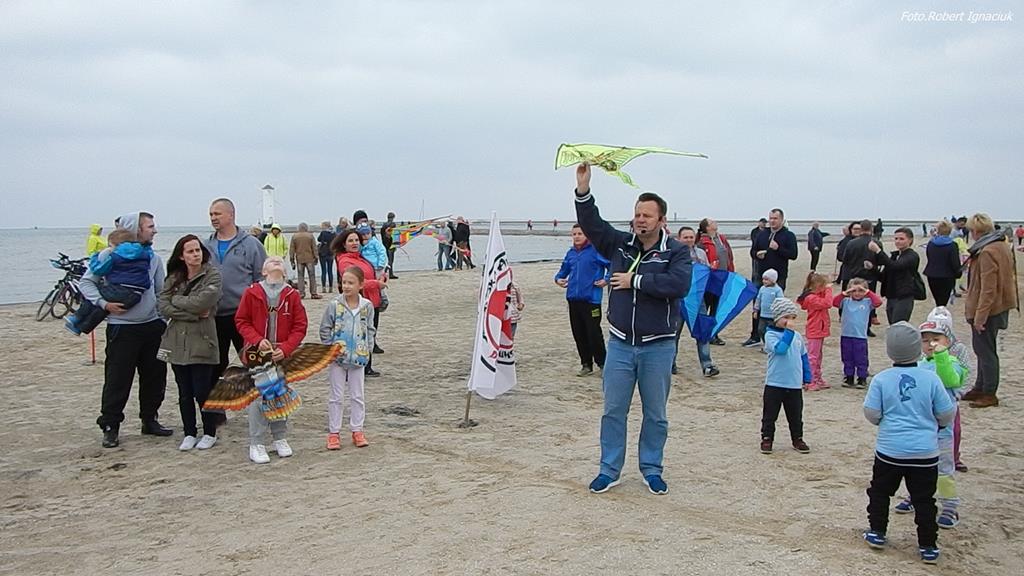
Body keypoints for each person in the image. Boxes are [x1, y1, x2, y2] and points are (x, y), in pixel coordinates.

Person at [572, 164, 691, 496]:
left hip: (659, 346)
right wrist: (583, 190)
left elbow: (678, 285)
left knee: (656, 414)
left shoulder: (676, 251)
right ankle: (609, 470)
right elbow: (592, 224)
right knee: (613, 411)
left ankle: (652, 469)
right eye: (637, 214)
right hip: (621, 345)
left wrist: (634, 280)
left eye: (647, 216)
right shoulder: (620, 244)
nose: (640, 220)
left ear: (661, 220)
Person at [862, 322, 956, 565]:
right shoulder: (931, 378)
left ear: (890, 351)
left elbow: (871, 413)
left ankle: (877, 532)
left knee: (880, 492)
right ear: (917, 349)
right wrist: (935, 425)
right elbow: (947, 412)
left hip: (890, 450)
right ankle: (928, 546)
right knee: (924, 500)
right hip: (925, 452)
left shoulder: (881, 379)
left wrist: (885, 421)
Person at [79, 212, 170, 448]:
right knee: (117, 380)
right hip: (122, 328)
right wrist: (103, 304)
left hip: (152, 326)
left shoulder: (153, 258)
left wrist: (163, 320)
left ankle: (150, 420)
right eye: (150, 226)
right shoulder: (109, 255)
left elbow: (160, 292)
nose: (155, 230)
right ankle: (110, 426)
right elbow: (86, 282)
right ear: (135, 229)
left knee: (155, 377)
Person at [893, 309, 968, 529]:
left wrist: (942, 357)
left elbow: (951, 380)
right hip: (919, 428)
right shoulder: (918, 365)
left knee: (944, 468)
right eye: (925, 341)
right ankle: (915, 496)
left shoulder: (953, 362)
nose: (931, 344)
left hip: (942, 429)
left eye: (936, 339)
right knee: (916, 466)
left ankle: (950, 506)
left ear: (948, 341)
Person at [235, 256, 307, 464]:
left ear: (285, 272)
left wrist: (286, 348)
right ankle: (256, 443)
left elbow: (300, 326)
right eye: (271, 261)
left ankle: (279, 437)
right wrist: (257, 340)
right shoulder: (252, 292)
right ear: (263, 271)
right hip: (257, 353)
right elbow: (242, 321)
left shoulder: (292, 295)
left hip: (281, 355)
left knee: (280, 394)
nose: (276, 261)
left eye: (279, 261)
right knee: (259, 397)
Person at [156, 235, 223, 451]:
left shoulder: (212, 275)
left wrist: (177, 301)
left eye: (198, 250)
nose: (195, 255)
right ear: (181, 256)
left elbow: (203, 302)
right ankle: (189, 432)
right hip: (178, 340)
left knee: (202, 391)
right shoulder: (174, 277)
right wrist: (191, 314)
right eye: (190, 251)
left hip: (203, 339)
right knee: (184, 391)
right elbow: (163, 306)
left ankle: (210, 432)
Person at [204, 198, 267, 402]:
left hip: (243, 316)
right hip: (214, 316)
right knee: (215, 365)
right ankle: (217, 408)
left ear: (231, 215)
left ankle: (264, 403)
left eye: (217, 213)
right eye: (211, 214)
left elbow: (262, 279)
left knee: (255, 363)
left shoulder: (251, 244)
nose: (213, 218)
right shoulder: (205, 246)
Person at [961, 213, 1017, 408]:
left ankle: (989, 392)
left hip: (989, 309)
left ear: (976, 231)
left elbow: (988, 288)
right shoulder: (1001, 245)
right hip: (999, 306)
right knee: (983, 349)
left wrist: (980, 316)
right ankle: (981, 386)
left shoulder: (987, 251)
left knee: (986, 351)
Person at [319, 265, 375, 450]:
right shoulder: (334, 305)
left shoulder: (366, 306)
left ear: (361, 285)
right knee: (336, 396)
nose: (347, 286)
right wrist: (331, 349)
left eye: (351, 283)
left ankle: (357, 430)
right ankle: (334, 433)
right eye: (344, 282)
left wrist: (368, 350)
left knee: (357, 395)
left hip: (358, 358)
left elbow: (370, 329)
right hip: (337, 359)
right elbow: (325, 328)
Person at [65, 228, 153, 336]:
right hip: (137, 294)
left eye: (110, 246)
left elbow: (100, 269)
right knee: (103, 309)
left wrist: (97, 256)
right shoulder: (144, 253)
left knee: (99, 295)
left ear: (116, 246)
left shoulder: (115, 256)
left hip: (120, 288)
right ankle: (82, 327)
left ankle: (77, 318)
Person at [554, 224, 610, 377]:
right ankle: (586, 364)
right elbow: (563, 271)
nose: (577, 236)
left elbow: (612, 265)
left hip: (591, 300)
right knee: (578, 333)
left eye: (580, 233)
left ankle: (603, 363)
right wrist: (558, 279)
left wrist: (606, 279)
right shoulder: (571, 253)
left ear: (587, 235)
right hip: (573, 299)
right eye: (574, 234)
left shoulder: (596, 251)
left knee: (593, 333)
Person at [759, 297, 811, 454]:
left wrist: (807, 377)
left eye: (793, 317)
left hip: (794, 384)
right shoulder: (770, 335)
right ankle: (767, 438)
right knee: (770, 414)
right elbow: (780, 349)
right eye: (786, 317)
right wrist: (788, 332)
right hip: (775, 383)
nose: (790, 321)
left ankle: (797, 438)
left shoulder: (797, 336)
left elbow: (804, 356)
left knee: (795, 415)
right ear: (777, 318)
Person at [332, 229, 387, 377]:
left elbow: (369, 275)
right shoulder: (345, 261)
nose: (354, 243)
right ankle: (357, 366)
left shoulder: (362, 258)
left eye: (356, 240)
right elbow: (354, 282)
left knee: (370, 333)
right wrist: (376, 284)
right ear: (344, 244)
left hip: (372, 301)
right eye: (351, 241)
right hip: (357, 302)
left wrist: (381, 278)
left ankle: (367, 366)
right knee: (357, 334)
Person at [672, 226, 718, 377]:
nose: (689, 240)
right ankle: (671, 364)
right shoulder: (672, 253)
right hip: (678, 300)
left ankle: (707, 365)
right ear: (679, 239)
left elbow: (706, 274)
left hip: (698, 300)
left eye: (691, 237)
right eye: (685, 237)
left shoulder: (700, 253)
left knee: (702, 332)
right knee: (673, 334)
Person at [834, 278, 882, 389]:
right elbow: (834, 302)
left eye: (860, 291)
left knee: (861, 358)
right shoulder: (846, 301)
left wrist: (867, 292)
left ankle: (862, 377)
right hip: (846, 335)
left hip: (860, 336)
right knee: (847, 357)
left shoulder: (867, 302)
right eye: (854, 291)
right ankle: (849, 376)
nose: (857, 293)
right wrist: (844, 293)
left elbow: (878, 302)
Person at [873, 227, 922, 324]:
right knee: (892, 324)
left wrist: (878, 251)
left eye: (901, 239)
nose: (898, 241)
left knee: (899, 324)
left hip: (904, 296)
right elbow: (884, 277)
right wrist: (872, 269)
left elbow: (896, 266)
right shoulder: (895, 256)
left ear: (910, 240)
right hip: (891, 295)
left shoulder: (912, 256)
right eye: (896, 239)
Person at [697, 218, 734, 346]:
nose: (715, 223)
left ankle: (713, 334)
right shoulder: (702, 242)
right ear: (707, 227)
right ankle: (704, 333)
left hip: (722, 277)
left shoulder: (721, 239)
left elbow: (729, 256)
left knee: (716, 308)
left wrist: (731, 271)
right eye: (712, 222)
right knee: (706, 307)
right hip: (709, 279)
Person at [797, 272, 833, 391]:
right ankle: (810, 380)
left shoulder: (815, 296)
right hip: (815, 329)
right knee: (812, 357)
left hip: (819, 329)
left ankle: (817, 377)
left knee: (818, 356)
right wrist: (829, 290)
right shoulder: (811, 298)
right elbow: (828, 303)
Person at [750, 208, 798, 291]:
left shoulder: (789, 235)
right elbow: (752, 251)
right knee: (758, 298)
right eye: (771, 218)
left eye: (775, 218)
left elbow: (793, 255)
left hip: (779, 277)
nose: (772, 221)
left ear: (782, 220)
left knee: (776, 299)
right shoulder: (762, 234)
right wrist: (757, 254)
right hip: (761, 275)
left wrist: (778, 249)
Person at [923, 220, 962, 307]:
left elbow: (929, 257)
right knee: (943, 301)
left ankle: (938, 312)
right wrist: (958, 273)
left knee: (938, 300)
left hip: (932, 274)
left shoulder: (931, 243)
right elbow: (955, 262)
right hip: (947, 275)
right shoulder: (952, 245)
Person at [749, 269, 784, 347]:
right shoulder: (762, 289)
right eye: (763, 279)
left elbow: (781, 301)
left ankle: (771, 345)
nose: (764, 281)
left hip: (773, 316)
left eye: (766, 279)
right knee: (761, 330)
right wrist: (755, 310)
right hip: (763, 315)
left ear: (773, 280)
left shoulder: (777, 290)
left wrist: (779, 313)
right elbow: (758, 300)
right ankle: (766, 344)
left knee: (772, 331)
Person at [289, 222, 319, 299]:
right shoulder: (310, 236)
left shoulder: (294, 236)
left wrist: (292, 260)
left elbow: (292, 249)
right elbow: (314, 248)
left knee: (300, 276)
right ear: (306, 228)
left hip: (299, 259)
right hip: (309, 258)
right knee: (312, 276)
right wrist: (316, 257)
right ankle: (314, 293)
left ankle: (301, 293)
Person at [316, 221, 337, 293]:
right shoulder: (334, 233)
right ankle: (330, 287)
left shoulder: (323, 233)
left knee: (324, 271)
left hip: (323, 253)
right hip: (331, 253)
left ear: (325, 226)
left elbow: (318, 239)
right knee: (330, 270)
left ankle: (324, 287)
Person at [380, 212, 399, 279]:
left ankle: (387, 273)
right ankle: (389, 273)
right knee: (390, 260)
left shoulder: (384, 225)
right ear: (393, 217)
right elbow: (395, 235)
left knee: (388, 260)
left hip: (385, 244)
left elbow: (382, 234)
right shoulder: (392, 224)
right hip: (391, 244)